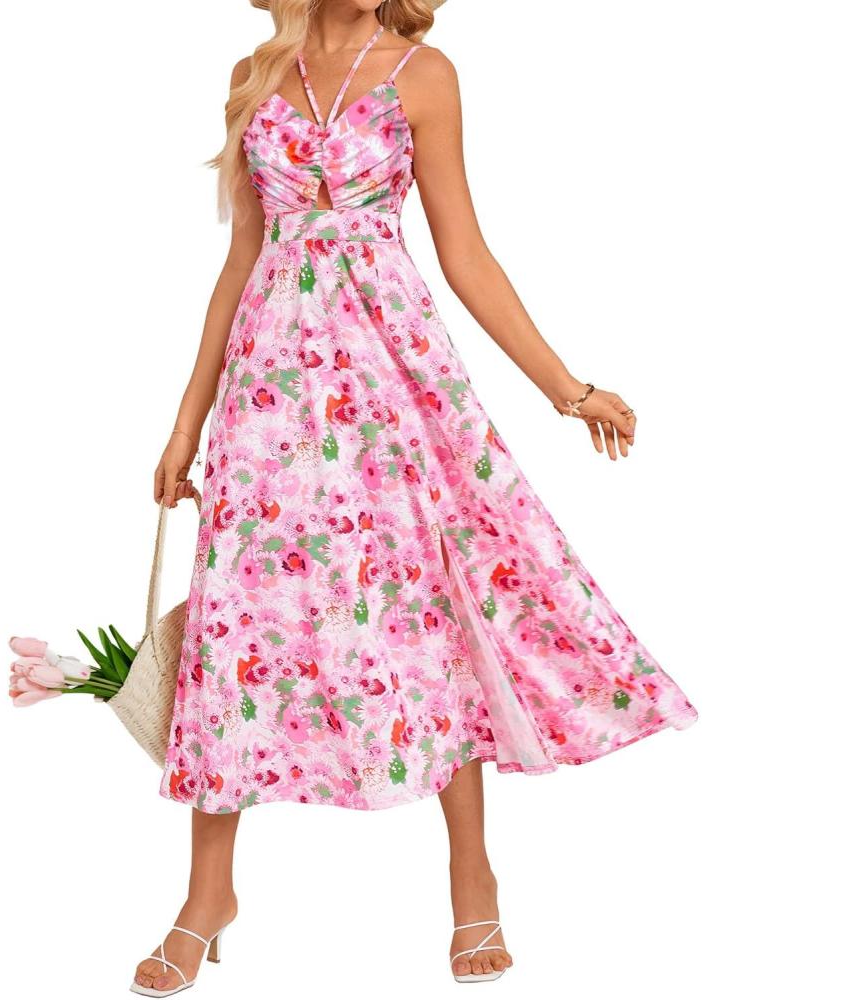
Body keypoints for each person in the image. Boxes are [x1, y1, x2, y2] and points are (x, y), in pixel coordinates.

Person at [134, 1, 698, 993]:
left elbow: (464, 252)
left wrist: (567, 390)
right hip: (271, 389)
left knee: (426, 604)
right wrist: (186, 424)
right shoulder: (252, 76)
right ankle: (206, 894)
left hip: (391, 379)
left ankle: (471, 876)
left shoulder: (422, 76)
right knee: (238, 617)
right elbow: (241, 260)